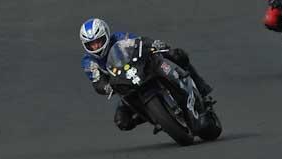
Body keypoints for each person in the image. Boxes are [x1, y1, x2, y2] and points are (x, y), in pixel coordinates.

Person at [80, 18, 213, 131]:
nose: (96, 46)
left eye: (99, 41)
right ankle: (152, 116)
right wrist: (106, 87)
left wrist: (154, 44)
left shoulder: (119, 37)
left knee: (178, 56)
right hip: (124, 84)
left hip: (141, 68)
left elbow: (140, 42)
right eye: (91, 44)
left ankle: (202, 90)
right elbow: (97, 81)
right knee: (122, 121)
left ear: (107, 35)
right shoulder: (88, 62)